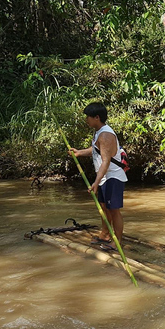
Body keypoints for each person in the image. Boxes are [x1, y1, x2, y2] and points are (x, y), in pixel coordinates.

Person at [68, 102, 128, 251]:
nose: (86, 120)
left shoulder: (106, 134)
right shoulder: (99, 133)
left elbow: (106, 161)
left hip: (112, 177)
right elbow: (96, 150)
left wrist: (95, 182)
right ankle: (105, 234)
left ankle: (117, 241)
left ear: (97, 117)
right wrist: (80, 152)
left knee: (114, 210)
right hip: (104, 177)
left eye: (88, 117)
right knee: (104, 207)